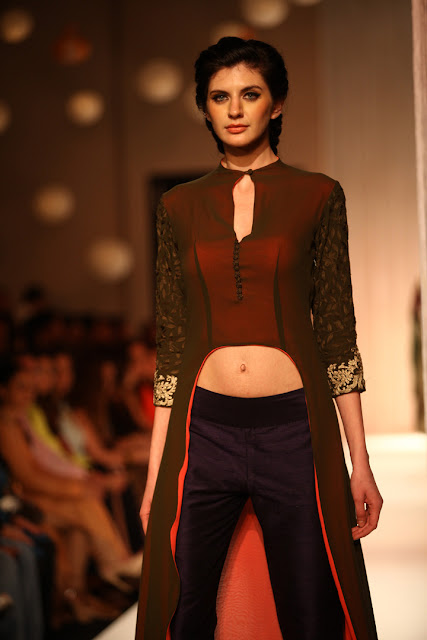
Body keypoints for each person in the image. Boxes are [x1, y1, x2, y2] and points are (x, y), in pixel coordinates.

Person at [136, 37, 383, 640]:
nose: (235, 109)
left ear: (277, 104)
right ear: (205, 107)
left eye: (250, 94)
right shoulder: (178, 207)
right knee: (182, 609)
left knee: (312, 609)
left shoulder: (318, 195)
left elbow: (336, 330)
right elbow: (172, 346)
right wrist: (154, 475)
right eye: (220, 97)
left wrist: (360, 463)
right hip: (203, 431)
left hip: (294, 431)